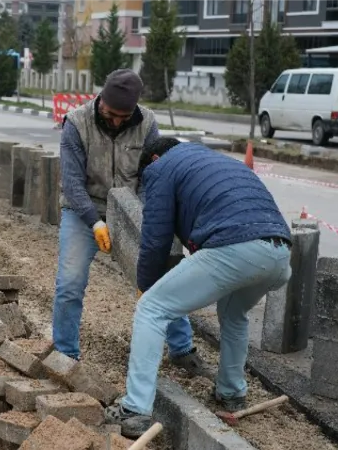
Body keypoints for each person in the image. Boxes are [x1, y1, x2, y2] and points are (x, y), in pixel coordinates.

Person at [104, 137, 293, 438]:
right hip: (279, 254)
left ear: (153, 159)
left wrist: (145, 286)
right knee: (234, 314)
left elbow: (155, 240)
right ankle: (231, 392)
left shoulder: (161, 168)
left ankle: (135, 409)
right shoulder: (216, 162)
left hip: (237, 247)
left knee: (151, 308)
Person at [53, 69, 209, 378]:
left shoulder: (147, 123)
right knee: (69, 283)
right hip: (85, 209)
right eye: (110, 115)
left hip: (131, 207)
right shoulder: (76, 123)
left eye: (122, 118)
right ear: (101, 100)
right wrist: (94, 222)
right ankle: (65, 355)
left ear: (133, 110)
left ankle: (182, 349)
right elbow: (72, 184)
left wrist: (149, 221)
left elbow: (153, 176)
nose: (115, 122)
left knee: (165, 275)